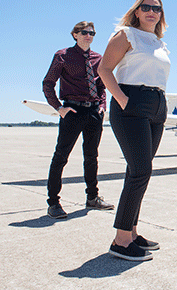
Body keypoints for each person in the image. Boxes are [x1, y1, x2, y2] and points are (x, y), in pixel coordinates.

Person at [98, 0, 170, 262]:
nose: (152, 11)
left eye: (157, 8)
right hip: (132, 105)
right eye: (146, 7)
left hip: (156, 106)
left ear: (161, 14)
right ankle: (121, 240)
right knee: (141, 170)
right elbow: (105, 69)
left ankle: (133, 231)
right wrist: (123, 100)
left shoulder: (159, 43)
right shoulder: (125, 35)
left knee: (138, 172)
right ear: (137, 11)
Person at [43, 21, 114, 219]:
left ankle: (92, 197)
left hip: (93, 113)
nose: (88, 36)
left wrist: (102, 107)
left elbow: (101, 86)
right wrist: (59, 108)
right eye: (84, 32)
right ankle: (53, 202)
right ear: (75, 34)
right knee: (61, 156)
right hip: (72, 111)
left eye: (92, 33)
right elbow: (48, 83)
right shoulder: (63, 56)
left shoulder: (98, 58)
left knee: (91, 157)